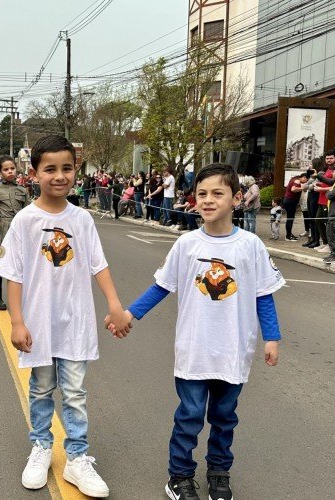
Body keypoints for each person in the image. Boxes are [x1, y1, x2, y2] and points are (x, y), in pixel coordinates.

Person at [108, 163, 284, 500]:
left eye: (217, 193)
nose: (207, 200)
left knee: (224, 417)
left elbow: (264, 294)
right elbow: (161, 287)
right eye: (201, 193)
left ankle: (219, 471)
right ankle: (180, 475)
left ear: (236, 199)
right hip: (194, 349)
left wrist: (272, 337)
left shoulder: (250, 246)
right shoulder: (187, 244)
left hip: (234, 351)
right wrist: (129, 314)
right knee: (189, 417)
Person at [0, 135, 126, 498]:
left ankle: (78, 458)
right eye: (50, 169)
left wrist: (114, 303)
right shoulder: (24, 220)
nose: (59, 176)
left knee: (76, 392)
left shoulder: (81, 219)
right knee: (41, 389)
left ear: (76, 172)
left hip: (75, 322)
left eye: (67, 168)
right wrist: (17, 321)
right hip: (39, 323)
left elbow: (99, 264)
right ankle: (42, 448)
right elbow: (12, 274)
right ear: (33, 173)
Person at [0, 155, 29, 311]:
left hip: (19, 230)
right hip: (2, 228)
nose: (10, 171)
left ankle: (20, 298)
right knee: (0, 264)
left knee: (20, 264)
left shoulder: (22, 190)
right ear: (0, 172)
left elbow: (29, 212)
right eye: (6, 169)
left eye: (12, 168)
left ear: (16, 169)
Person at [312, 151, 335, 252]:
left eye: (331, 158)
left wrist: (320, 189)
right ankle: (325, 242)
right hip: (321, 200)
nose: (329, 160)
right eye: (327, 158)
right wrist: (319, 185)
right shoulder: (327, 170)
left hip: (329, 201)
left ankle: (329, 245)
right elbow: (326, 183)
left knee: (328, 223)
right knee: (318, 220)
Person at [281, 172, 306, 240]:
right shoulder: (297, 181)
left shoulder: (294, 178)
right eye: (306, 180)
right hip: (291, 201)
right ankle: (288, 236)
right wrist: (302, 188)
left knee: (289, 218)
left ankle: (289, 234)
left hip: (287, 200)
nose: (305, 182)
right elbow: (293, 189)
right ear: (303, 177)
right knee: (290, 219)